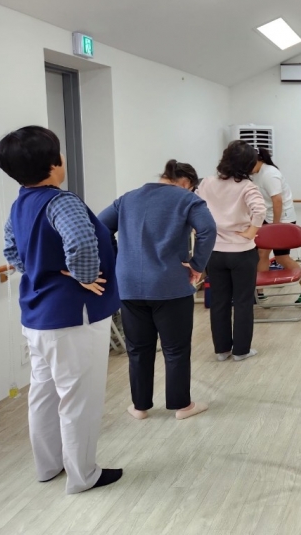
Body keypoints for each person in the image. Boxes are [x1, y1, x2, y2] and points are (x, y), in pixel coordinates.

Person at [0, 125, 122, 494]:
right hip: (72, 317)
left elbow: (12, 252)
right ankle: (84, 476)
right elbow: (81, 241)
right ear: (53, 164)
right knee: (78, 398)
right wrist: (83, 275)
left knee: (44, 393)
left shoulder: (20, 204)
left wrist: (47, 269)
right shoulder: (60, 202)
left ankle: (48, 466)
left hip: (36, 316)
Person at [98, 160, 216, 421]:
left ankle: (140, 407)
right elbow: (208, 229)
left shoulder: (127, 199)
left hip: (129, 286)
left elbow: (98, 227)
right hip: (170, 284)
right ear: (187, 183)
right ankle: (182, 406)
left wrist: (119, 258)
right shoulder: (187, 199)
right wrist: (197, 264)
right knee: (175, 349)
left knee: (138, 349)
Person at [197, 141, 267, 362]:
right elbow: (260, 210)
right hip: (242, 251)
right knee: (243, 301)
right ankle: (241, 350)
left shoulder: (207, 183)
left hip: (214, 251)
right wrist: (251, 232)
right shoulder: (247, 186)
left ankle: (222, 350)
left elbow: (194, 207)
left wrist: (201, 231)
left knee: (219, 301)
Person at [251, 147, 301, 304]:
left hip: (282, 219)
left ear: (258, 160)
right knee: (261, 253)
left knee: (281, 257)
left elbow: (277, 201)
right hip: (268, 217)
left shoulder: (270, 174)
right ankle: (259, 292)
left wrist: (275, 226)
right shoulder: (256, 173)